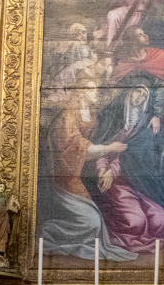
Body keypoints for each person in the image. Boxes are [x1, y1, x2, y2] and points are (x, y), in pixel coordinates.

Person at [36, 74, 136, 261]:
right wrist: (108, 148)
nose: (96, 92)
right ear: (81, 92)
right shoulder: (67, 116)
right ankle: (47, 233)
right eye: (91, 89)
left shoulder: (90, 113)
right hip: (64, 177)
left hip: (78, 174)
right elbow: (77, 146)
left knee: (98, 218)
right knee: (92, 222)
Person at [89, 84, 164, 253]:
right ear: (129, 91)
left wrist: (112, 170)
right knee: (136, 222)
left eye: (144, 95)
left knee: (160, 220)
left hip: (137, 183)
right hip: (116, 183)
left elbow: (136, 157)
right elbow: (101, 149)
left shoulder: (144, 127)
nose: (139, 97)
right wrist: (103, 171)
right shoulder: (112, 120)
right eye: (137, 91)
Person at [112, 27, 164, 193]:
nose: (145, 35)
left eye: (144, 33)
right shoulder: (124, 64)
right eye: (140, 35)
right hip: (138, 117)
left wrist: (157, 114)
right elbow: (116, 89)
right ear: (132, 41)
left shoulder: (160, 56)